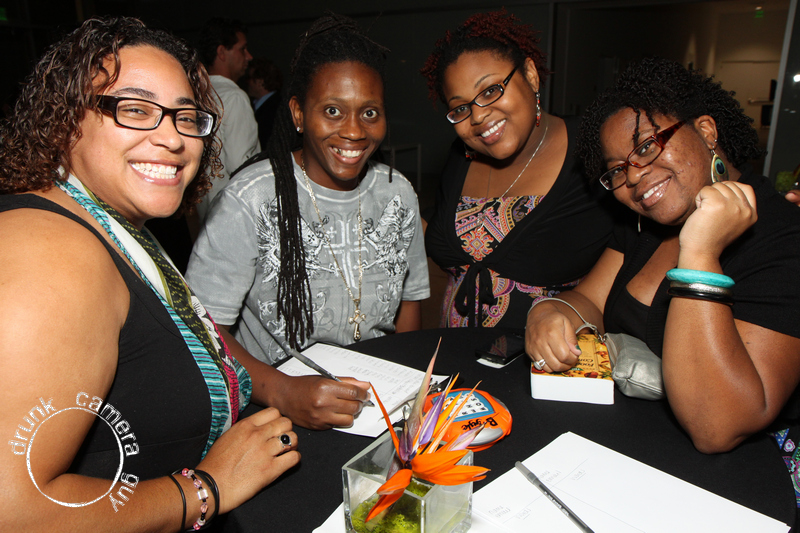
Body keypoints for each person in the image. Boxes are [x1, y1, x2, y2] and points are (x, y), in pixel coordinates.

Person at [0, 17, 370, 531]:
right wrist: (205, 488)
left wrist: (277, 389)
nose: (172, 137)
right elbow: (14, 509)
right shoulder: (50, 253)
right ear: (64, 119)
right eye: (135, 109)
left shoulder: (108, 223)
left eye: (186, 117)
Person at [525, 58, 800, 460]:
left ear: (706, 130)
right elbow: (589, 301)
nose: (634, 176)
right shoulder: (644, 226)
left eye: (646, 146)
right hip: (641, 447)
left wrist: (700, 254)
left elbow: (718, 426)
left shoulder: (783, 235)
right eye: (617, 170)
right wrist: (548, 311)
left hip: (752, 473)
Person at [186, 13, 429, 365]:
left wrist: (405, 380)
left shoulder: (398, 194)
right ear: (298, 113)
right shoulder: (250, 199)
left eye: (370, 113)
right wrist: (284, 389)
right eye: (332, 110)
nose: (354, 131)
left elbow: (409, 303)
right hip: (275, 392)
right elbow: (203, 329)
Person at [421, 10, 615, 329]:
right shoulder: (462, 156)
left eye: (490, 91)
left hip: (544, 358)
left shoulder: (593, 148)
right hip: (452, 355)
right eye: (461, 107)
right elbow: (447, 222)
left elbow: (637, 244)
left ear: (531, 74)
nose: (478, 116)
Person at [196, 17, 260, 219]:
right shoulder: (233, 97)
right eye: (242, 49)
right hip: (233, 214)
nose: (249, 57)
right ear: (222, 52)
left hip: (205, 212)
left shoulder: (197, 94)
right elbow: (242, 167)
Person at [243, 57, 283, 148]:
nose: (247, 82)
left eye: (249, 78)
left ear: (260, 82)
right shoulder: (262, 105)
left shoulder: (275, 109)